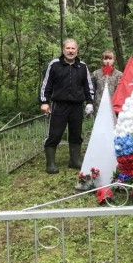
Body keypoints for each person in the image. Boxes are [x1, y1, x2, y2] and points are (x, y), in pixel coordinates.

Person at [40, 39, 94, 174]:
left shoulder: (82, 66)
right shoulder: (54, 65)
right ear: (63, 50)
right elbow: (46, 85)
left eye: (73, 49)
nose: (70, 51)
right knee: (55, 134)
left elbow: (88, 86)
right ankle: (50, 164)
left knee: (76, 134)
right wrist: (44, 102)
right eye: (68, 48)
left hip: (77, 106)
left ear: (77, 50)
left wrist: (90, 102)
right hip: (59, 105)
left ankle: (74, 161)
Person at [91, 49, 123, 114]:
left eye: (110, 59)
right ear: (102, 60)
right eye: (105, 59)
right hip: (99, 105)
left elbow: (121, 91)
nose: (108, 61)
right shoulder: (96, 73)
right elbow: (92, 89)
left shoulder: (119, 74)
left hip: (113, 105)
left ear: (113, 60)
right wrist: (90, 103)